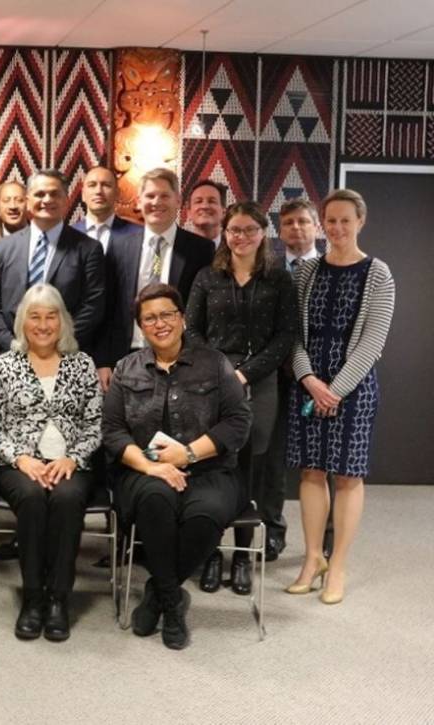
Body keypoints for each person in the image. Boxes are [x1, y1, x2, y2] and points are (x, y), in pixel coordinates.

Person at [103, 283, 251, 650]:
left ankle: (157, 593)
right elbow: (113, 431)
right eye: (150, 318)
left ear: (182, 318)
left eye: (167, 314)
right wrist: (152, 467)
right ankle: (173, 605)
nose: (160, 323)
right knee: (155, 502)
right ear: (141, 326)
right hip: (143, 471)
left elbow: (237, 422)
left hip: (209, 470)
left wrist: (187, 455)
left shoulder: (215, 363)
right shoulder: (126, 368)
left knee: (207, 515)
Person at [285, 189, 394, 605]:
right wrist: (310, 379)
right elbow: (293, 335)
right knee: (311, 472)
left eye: (345, 220)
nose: (337, 228)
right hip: (310, 386)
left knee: (348, 476)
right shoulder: (306, 273)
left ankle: (339, 565)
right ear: (322, 223)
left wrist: (336, 390)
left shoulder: (379, 274)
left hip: (354, 389)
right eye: (330, 220)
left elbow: (373, 341)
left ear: (360, 221)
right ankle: (313, 560)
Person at [185, 201, 298, 596]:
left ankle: (243, 555)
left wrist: (246, 373)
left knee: (252, 467)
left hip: (260, 381)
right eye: (235, 230)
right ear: (225, 233)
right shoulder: (207, 277)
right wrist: (221, 371)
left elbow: (286, 336)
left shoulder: (278, 279)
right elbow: (192, 331)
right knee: (214, 465)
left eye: (250, 230)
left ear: (262, 233)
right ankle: (213, 553)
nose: (242, 237)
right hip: (211, 380)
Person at [0, 284, 103, 641]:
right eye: (35, 316)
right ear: (23, 322)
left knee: (66, 499)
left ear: (62, 321)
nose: (43, 324)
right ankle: (33, 597)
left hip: (70, 461)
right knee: (33, 498)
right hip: (17, 462)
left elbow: (95, 423)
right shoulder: (5, 365)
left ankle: (59, 600)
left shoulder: (82, 364)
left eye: (51, 316)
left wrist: (73, 457)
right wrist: (20, 458)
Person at [98, 167, 214, 390]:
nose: (156, 202)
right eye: (150, 196)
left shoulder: (201, 250)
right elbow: (106, 306)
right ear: (139, 201)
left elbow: (205, 312)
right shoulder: (118, 245)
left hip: (180, 360)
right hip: (125, 357)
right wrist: (103, 360)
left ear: (178, 200)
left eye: (164, 196)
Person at [262, 198, 325, 559]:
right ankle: (273, 530)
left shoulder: (331, 266)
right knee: (272, 458)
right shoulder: (269, 269)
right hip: (276, 377)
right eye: (288, 223)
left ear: (315, 227)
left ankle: (326, 540)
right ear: (280, 230)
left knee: (321, 460)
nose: (296, 229)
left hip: (319, 378)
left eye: (303, 222)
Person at [0, 169, 105, 355]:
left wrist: (59, 343)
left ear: (66, 200)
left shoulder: (88, 249)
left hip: (66, 356)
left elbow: (93, 305)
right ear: (28, 200)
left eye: (54, 194)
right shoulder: (2, 248)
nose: (47, 200)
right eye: (39, 194)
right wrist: (13, 345)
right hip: (12, 356)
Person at [71, 165, 141, 254]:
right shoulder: (67, 237)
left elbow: (156, 266)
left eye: (106, 185)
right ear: (83, 195)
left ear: (117, 193)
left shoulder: (139, 235)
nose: (98, 191)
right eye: (92, 185)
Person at [186, 179, 226, 246]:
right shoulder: (174, 251)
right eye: (198, 201)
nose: (205, 206)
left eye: (212, 201)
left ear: (224, 212)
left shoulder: (236, 250)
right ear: (189, 213)